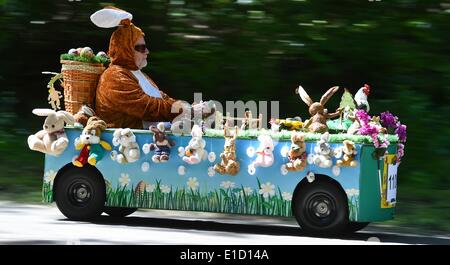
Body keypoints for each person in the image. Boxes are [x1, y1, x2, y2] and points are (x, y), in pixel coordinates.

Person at [91, 7, 184, 129]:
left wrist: (188, 107)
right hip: (124, 142)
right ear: (125, 49)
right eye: (141, 48)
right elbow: (148, 108)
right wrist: (184, 109)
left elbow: (163, 98)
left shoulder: (136, 73)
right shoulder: (113, 77)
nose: (147, 52)